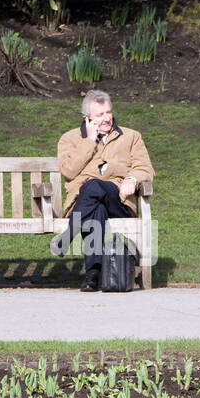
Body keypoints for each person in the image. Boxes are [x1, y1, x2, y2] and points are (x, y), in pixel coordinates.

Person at [51, 90, 154, 291]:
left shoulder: (131, 137)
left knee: (94, 185)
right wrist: (89, 141)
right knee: (94, 203)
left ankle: (69, 235)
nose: (107, 118)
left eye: (109, 112)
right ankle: (93, 275)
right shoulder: (69, 139)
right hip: (84, 201)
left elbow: (145, 168)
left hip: (119, 199)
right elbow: (69, 171)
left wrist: (132, 179)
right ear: (87, 119)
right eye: (100, 115)